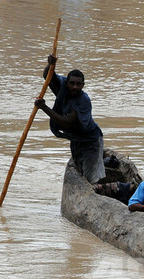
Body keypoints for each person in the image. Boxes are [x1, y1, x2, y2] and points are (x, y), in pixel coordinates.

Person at [35, 54, 105, 184]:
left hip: (90, 141)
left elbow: (67, 123)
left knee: (91, 179)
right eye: (72, 83)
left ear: (83, 85)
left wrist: (44, 107)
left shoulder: (83, 100)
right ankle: (105, 163)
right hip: (76, 139)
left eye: (78, 84)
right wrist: (50, 64)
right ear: (67, 82)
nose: (74, 87)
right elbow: (47, 76)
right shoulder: (63, 87)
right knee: (79, 169)